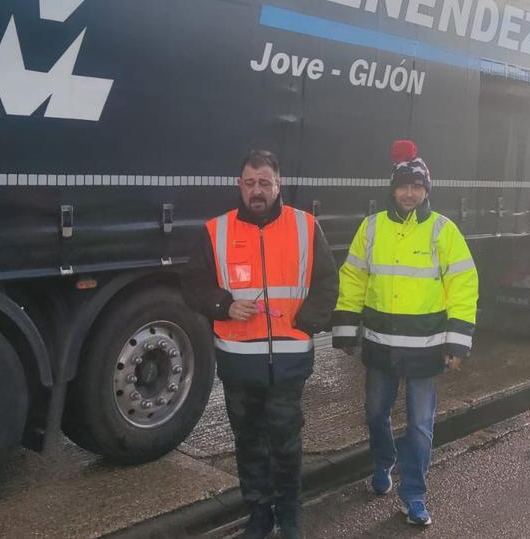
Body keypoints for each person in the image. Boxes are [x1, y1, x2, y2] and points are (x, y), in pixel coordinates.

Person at [182, 150, 338, 539]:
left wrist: (307, 322)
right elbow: (192, 285)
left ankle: (289, 515)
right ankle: (258, 515)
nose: (257, 191)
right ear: (239, 185)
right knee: (249, 442)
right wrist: (224, 304)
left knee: (286, 442)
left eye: (264, 183)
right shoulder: (216, 231)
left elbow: (327, 283)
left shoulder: (305, 227)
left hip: (289, 361)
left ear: (278, 185)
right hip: (238, 363)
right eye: (250, 182)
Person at [331, 139, 479, 527]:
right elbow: (353, 278)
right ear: (392, 189)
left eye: (417, 186)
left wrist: (456, 342)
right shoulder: (372, 227)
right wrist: (347, 331)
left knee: (419, 425)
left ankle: (413, 494)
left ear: (426, 190)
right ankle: (383, 463)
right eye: (403, 185)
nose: (409, 193)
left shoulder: (443, 231)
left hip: (426, 350)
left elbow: (463, 285)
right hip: (380, 346)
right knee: (375, 413)